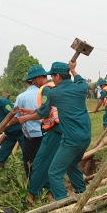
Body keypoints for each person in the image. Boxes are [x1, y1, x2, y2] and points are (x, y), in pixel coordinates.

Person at [21, 61, 90, 201]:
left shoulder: (53, 93)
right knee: (71, 164)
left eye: (53, 76)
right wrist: (74, 70)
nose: (52, 79)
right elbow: (81, 80)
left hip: (71, 138)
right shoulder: (81, 88)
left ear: (58, 76)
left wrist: (26, 118)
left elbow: (43, 113)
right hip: (86, 136)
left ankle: (62, 203)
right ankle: (82, 192)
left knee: (54, 172)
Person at [18, 65, 62, 203]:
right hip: (58, 129)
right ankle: (51, 196)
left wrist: (26, 118)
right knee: (49, 164)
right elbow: (46, 110)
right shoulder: (54, 86)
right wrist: (31, 112)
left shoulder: (45, 89)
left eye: (34, 80)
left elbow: (43, 112)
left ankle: (32, 196)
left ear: (38, 78)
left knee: (39, 164)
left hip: (54, 131)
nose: (34, 83)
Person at [14, 79, 44, 177]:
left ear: (26, 83)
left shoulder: (22, 97)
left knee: (29, 161)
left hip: (31, 135)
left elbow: (15, 117)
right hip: (46, 133)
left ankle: (32, 184)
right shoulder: (44, 94)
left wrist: (5, 125)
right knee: (44, 159)